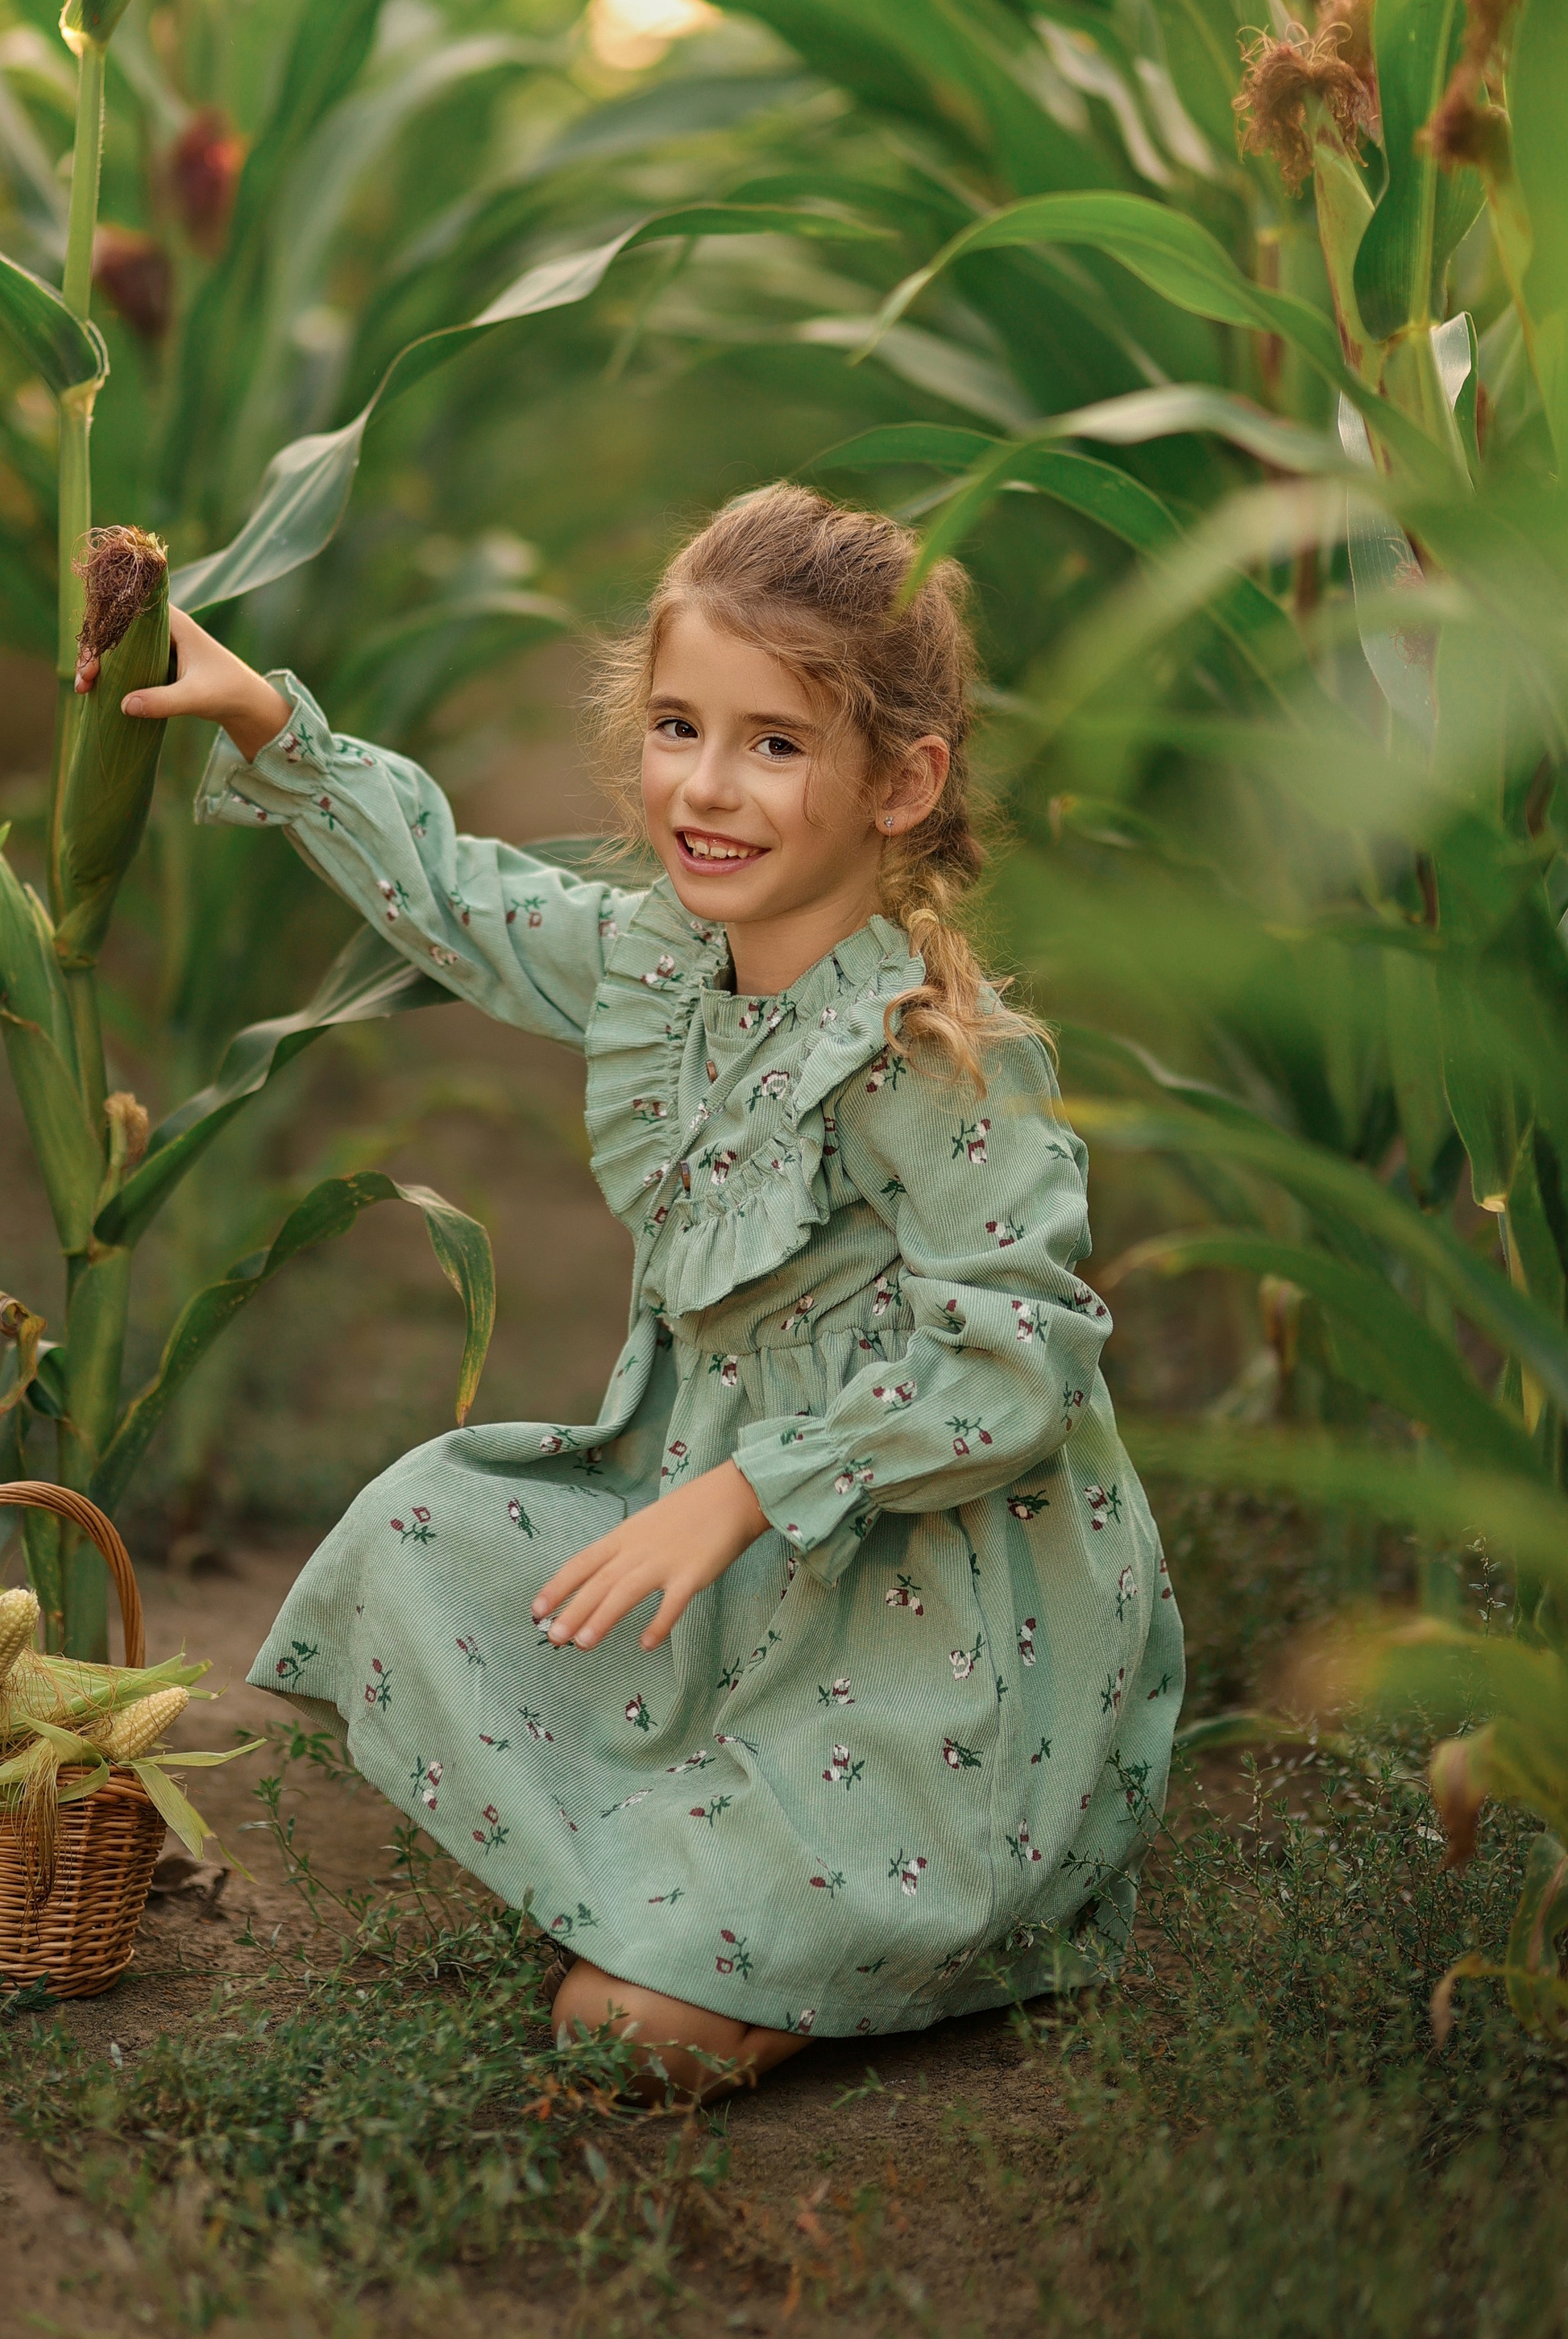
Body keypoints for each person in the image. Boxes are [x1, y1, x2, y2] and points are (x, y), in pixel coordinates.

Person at [78, 482, 1183, 2098]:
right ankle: (683, 1878)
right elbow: (461, 906)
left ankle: (828, 1911)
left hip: (918, 1615)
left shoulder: (929, 1063)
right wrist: (267, 726)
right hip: (716, 1551)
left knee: (622, 2032)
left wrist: (752, 1486)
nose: (705, 789)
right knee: (418, 1524)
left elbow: (1022, 1358)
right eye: (676, 726)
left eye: (775, 745)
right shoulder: (662, 960)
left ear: (903, 783)